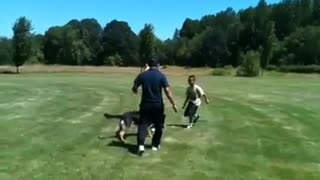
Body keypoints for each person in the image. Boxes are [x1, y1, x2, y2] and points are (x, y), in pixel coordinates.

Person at [132, 59, 177, 156]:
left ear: (148, 64)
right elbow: (167, 91)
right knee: (158, 126)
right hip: (157, 105)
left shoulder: (143, 75)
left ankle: (141, 146)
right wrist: (173, 104)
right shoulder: (161, 76)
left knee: (143, 125)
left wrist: (135, 90)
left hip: (145, 104)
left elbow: (135, 86)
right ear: (158, 65)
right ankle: (155, 145)